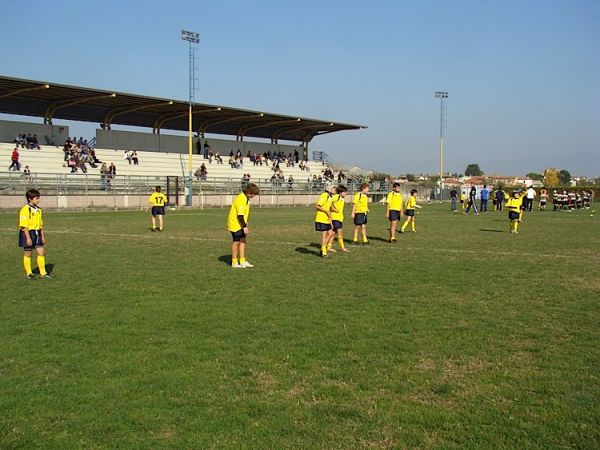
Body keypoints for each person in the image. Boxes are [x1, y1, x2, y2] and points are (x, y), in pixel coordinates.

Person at [19, 189, 50, 279]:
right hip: (27, 233)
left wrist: (42, 236)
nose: (38, 200)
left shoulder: (39, 210)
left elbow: (40, 225)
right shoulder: (25, 209)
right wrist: (28, 238)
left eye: (38, 198)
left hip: (37, 233)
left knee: (41, 252)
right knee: (28, 253)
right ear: (30, 199)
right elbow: (24, 226)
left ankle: (43, 273)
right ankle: (29, 273)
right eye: (36, 198)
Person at [228, 183, 260, 268]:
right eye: (253, 194)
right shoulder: (241, 199)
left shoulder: (246, 198)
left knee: (243, 240)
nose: (253, 196)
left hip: (241, 223)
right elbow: (240, 215)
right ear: (249, 191)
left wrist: (245, 223)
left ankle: (242, 260)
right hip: (235, 224)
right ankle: (234, 262)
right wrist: (244, 227)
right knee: (236, 241)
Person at [315, 187, 335, 258]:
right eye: (333, 188)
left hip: (327, 219)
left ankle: (322, 249)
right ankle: (323, 252)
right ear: (329, 189)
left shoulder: (330, 197)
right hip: (321, 218)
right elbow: (317, 206)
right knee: (324, 235)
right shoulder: (324, 195)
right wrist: (326, 211)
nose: (335, 190)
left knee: (331, 233)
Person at [329, 185, 350, 253]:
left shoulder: (341, 198)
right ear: (340, 192)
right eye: (344, 192)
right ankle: (342, 248)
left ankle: (328, 247)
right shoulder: (336, 196)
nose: (346, 194)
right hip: (335, 218)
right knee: (340, 233)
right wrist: (333, 209)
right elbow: (329, 203)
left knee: (333, 233)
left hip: (339, 217)